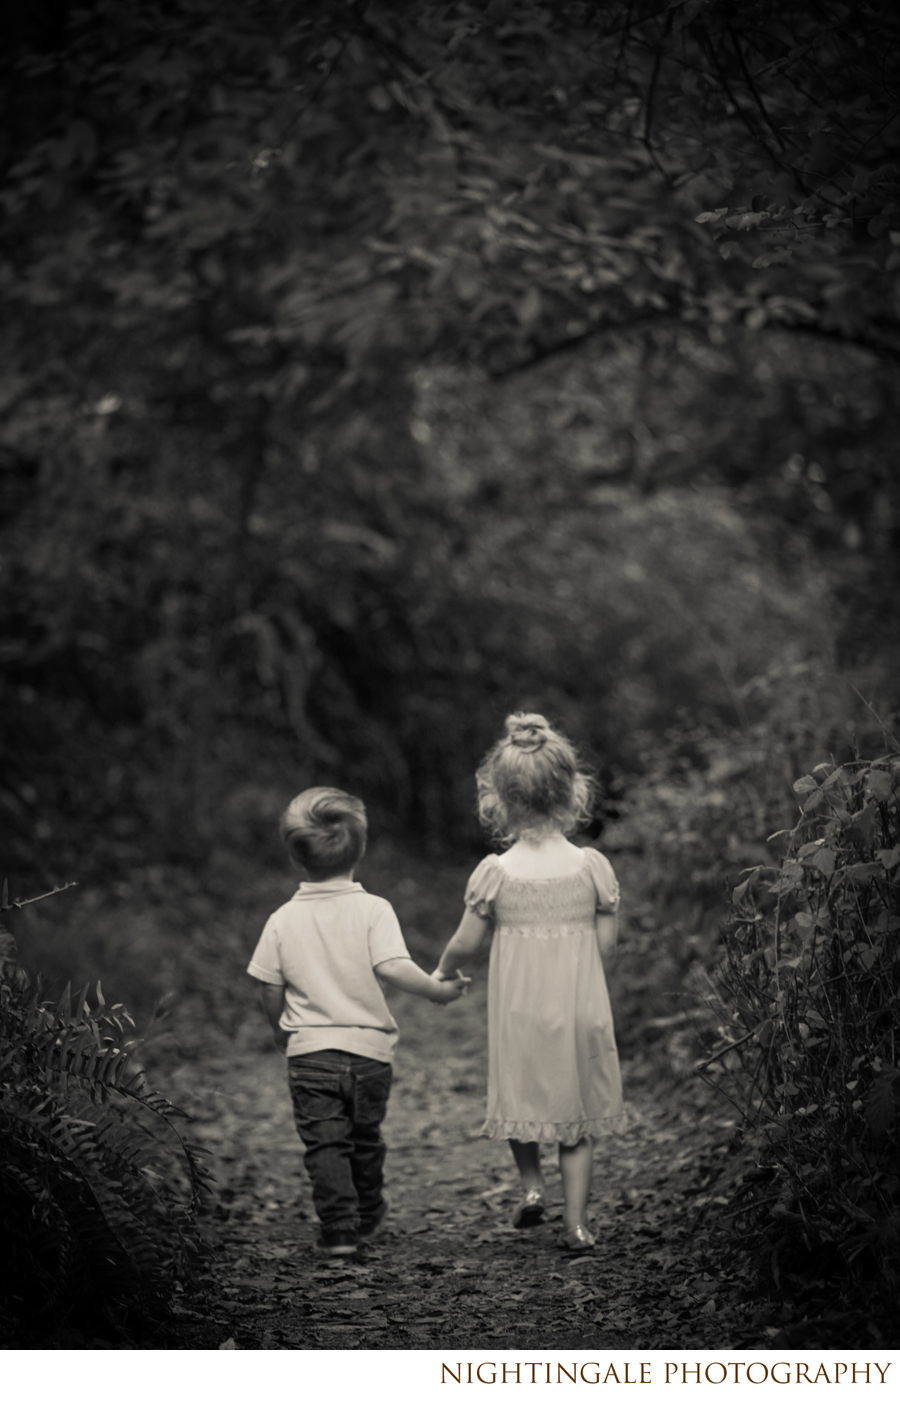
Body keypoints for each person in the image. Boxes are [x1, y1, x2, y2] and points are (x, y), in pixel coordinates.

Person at [247, 786, 468, 1258]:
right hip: (370, 1056)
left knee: (325, 1144)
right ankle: (367, 1212)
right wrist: (437, 990)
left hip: (309, 1055)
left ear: (294, 857)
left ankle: (340, 1229)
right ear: (360, 849)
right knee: (364, 1138)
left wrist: (279, 1029)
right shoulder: (374, 910)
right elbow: (392, 966)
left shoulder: (282, 919)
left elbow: (268, 986)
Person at [433, 712, 624, 1253]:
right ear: (573, 792)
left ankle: (533, 1188)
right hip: (580, 1006)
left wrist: (443, 973)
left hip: (519, 1010)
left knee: (520, 1098)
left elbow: (465, 943)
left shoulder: (495, 872)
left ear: (498, 798)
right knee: (576, 1122)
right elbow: (605, 949)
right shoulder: (592, 867)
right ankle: (577, 1224)